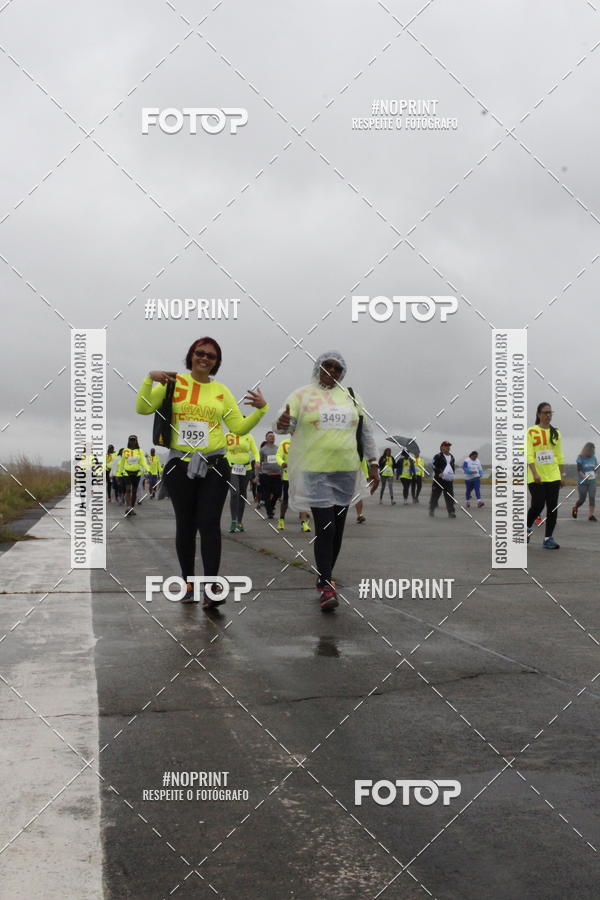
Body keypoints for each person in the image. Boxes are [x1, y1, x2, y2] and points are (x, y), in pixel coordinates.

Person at [136, 337, 268, 607]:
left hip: (215, 465)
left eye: (211, 356)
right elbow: (143, 408)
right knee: (186, 525)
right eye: (200, 353)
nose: (205, 358)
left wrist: (261, 409)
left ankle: (210, 588)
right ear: (191, 355)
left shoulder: (221, 391)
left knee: (209, 525)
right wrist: (150, 378)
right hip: (179, 464)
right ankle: (187, 584)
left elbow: (238, 428)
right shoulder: (174, 383)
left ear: (217, 362)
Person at [276, 351, 379, 611]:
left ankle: (326, 577)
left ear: (342, 373)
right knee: (326, 527)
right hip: (315, 471)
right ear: (318, 367)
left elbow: (365, 431)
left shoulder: (350, 396)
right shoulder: (302, 395)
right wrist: (282, 422)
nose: (331, 371)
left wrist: (374, 463)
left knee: (338, 530)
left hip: (346, 471)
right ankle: (325, 584)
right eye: (327, 366)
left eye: (337, 368)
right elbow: (285, 425)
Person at [527, 403, 565, 549]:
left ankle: (548, 538)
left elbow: (559, 455)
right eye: (545, 412)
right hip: (535, 476)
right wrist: (535, 473)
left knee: (552, 508)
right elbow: (529, 454)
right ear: (538, 414)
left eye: (550, 412)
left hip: (553, 475)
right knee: (537, 504)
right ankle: (527, 528)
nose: (548, 415)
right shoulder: (531, 432)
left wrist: (561, 475)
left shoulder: (556, 433)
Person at [226, 431, 259, 532]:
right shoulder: (227, 436)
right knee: (235, 493)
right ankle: (233, 521)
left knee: (242, 494)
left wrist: (257, 460)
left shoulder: (248, 436)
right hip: (232, 467)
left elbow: (255, 450)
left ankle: (240, 522)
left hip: (246, 468)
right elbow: (221, 449)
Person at [118, 436, 148, 516]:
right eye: (131, 440)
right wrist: (119, 473)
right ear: (128, 441)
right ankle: (128, 507)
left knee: (134, 491)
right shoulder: (125, 451)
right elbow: (122, 463)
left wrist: (148, 469)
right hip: (126, 473)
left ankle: (132, 508)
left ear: (136, 441)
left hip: (137, 473)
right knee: (128, 489)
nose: (132, 442)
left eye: (134, 440)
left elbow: (143, 462)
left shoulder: (139, 451)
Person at [258, 432, 282, 519]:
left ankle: (271, 505)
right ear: (266, 438)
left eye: (273, 436)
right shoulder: (263, 450)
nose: (272, 437)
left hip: (277, 474)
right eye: (270, 436)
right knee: (266, 494)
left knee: (277, 493)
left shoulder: (278, 448)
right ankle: (269, 512)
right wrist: (258, 475)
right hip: (266, 475)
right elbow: (259, 463)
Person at [429, 441, 456, 518]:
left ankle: (451, 512)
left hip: (448, 480)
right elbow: (433, 466)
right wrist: (438, 473)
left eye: (448, 446)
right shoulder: (437, 456)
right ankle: (432, 509)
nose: (447, 447)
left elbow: (452, 467)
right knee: (435, 495)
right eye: (446, 446)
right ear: (441, 447)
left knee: (449, 496)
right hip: (439, 479)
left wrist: (452, 475)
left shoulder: (452, 457)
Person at [572, 442, 597, 521]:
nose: (591, 451)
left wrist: (595, 474)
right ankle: (575, 507)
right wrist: (584, 476)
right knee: (582, 499)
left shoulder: (594, 458)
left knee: (592, 497)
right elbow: (579, 469)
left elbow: (595, 468)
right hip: (582, 481)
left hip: (592, 482)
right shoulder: (580, 458)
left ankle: (591, 515)